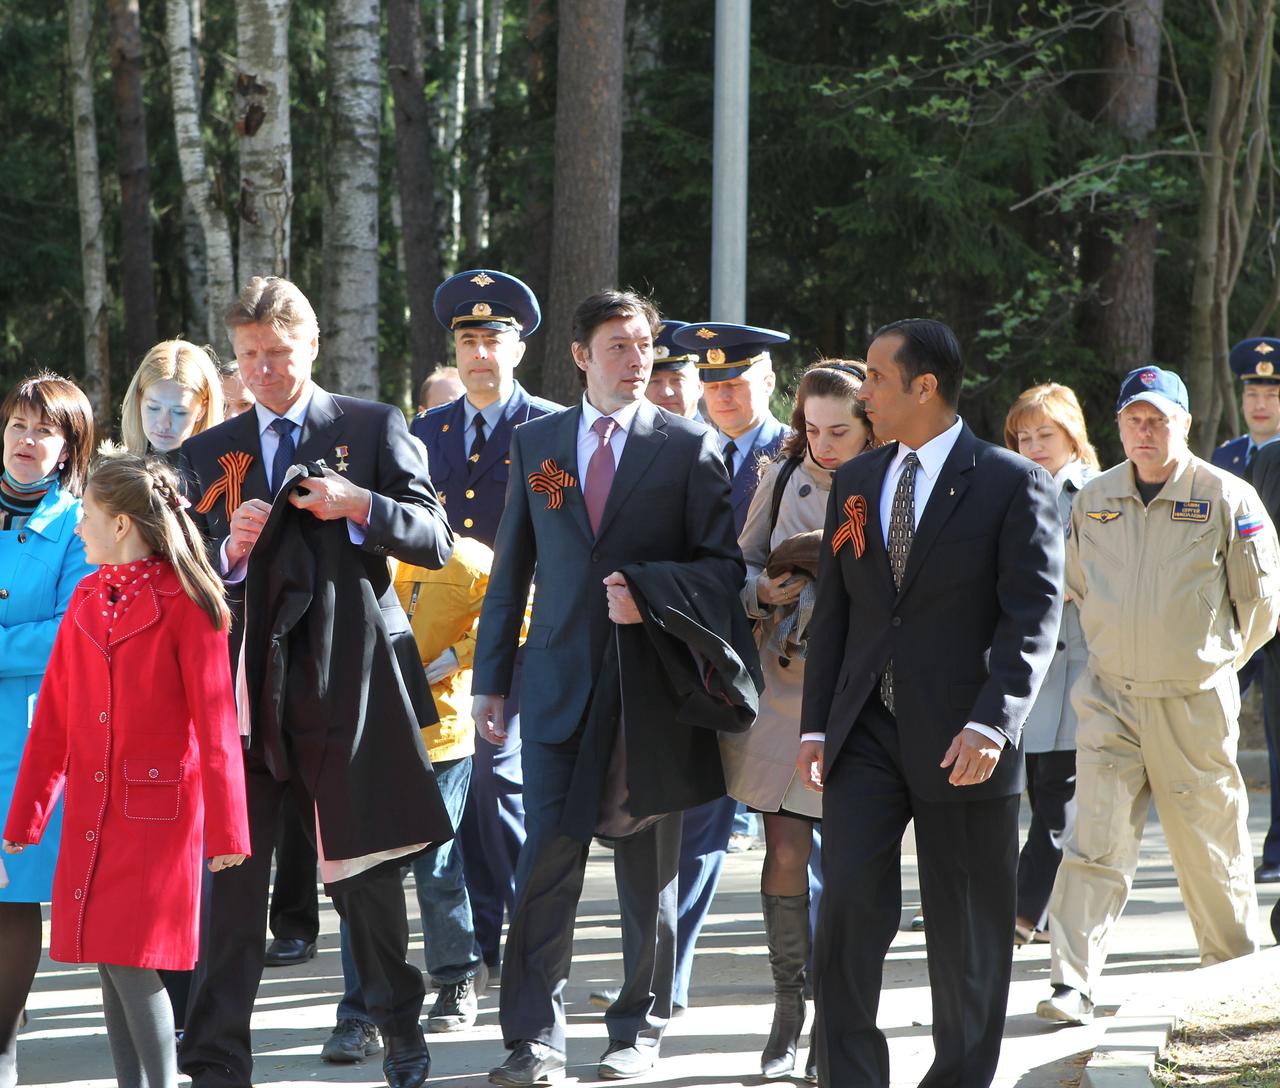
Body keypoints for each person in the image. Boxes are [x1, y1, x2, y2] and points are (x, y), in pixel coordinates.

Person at [176, 276, 455, 1088]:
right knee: (232, 888)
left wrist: (359, 502)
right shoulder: (211, 451)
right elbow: (189, 575)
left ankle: (401, 1034)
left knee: (365, 884)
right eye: (250, 356)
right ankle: (216, 1062)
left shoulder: (369, 426)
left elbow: (435, 537)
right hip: (246, 697)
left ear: (314, 344)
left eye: (279, 353)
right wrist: (229, 550)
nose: (263, 370)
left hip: (348, 683)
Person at [473, 290, 750, 1086]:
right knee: (544, 870)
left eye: (644, 346)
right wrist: (494, 679)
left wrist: (651, 593)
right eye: (619, 347)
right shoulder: (539, 444)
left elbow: (723, 573)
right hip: (556, 688)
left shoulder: (690, 446)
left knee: (647, 877)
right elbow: (511, 571)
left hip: (649, 695)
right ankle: (532, 1039)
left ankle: (639, 1027)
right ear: (580, 356)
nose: (636, 362)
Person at [797, 318, 1063, 1088]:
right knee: (846, 908)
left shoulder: (1014, 481)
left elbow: (1033, 615)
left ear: (925, 386)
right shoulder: (856, 480)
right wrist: (818, 725)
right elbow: (838, 616)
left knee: (969, 930)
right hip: (864, 735)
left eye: (877, 378)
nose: (863, 392)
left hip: (965, 737)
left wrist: (995, 719)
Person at [1037, 366, 1280, 1027]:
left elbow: (1260, 606)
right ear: (1117, 426)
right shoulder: (1095, 498)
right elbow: (1079, 584)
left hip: (1192, 702)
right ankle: (1072, 984)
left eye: (1157, 419)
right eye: (1133, 420)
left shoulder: (1227, 497)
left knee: (1209, 844)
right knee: (1094, 841)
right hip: (1111, 699)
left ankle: (1230, 977)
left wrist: (1210, 662)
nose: (1144, 431)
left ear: (1185, 423)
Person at [3, 449, 251, 1088]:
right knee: (109, 963)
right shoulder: (86, 595)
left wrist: (228, 833)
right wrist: (25, 817)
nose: (76, 526)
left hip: (158, 816)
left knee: (131, 962)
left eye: (85, 514)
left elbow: (218, 724)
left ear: (120, 524)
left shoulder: (190, 601)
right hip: (93, 808)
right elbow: (53, 718)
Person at [720, 360, 873, 1080]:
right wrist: (762, 588)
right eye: (811, 428)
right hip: (783, 690)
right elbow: (738, 564)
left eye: (840, 429)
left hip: (860, 695)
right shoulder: (779, 475)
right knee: (784, 851)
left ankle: (835, 1025)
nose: (825, 443)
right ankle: (790, 1006)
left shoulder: (896, 480)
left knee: (848, 867)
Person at [413, 269, 560, 981]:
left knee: (500, 789)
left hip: (526, 641)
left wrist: (483, 647)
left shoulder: (555, 428)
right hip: (437, 650)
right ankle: (469, 947)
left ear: (518, 349)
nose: (480, 353)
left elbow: (558, 549)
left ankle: (509, 934)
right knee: (454, 794)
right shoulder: (423, 432)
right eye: (468, 339)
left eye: (493, 339)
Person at [321, 535, 495, 1062]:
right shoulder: (347, 550)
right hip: (363, 735)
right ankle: (361, 1011)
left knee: (437, 868)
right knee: (365, 876)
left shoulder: (467, 558)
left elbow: (517, 610)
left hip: (440, 740)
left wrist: (458, 656)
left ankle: (457, 976)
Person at [661, 320, 792, 1012]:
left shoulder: (800, 453)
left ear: (768, 382)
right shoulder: (683, 450)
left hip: (783, 668)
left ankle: (801, 995)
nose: (723, 395)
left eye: (737, 382)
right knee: (691, 828)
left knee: (795, 837)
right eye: (712, 383)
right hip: (703, 669)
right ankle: (668, 982)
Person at [0, 373, 95, 1088]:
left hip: (22, 736)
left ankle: (2, 1042)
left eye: (43, 430)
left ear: (67, 449)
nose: (26, 441)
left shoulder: (76, 523)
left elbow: (72, 631)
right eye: (17, 426)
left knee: (9, 892)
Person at [1003, 383, 1100, 944]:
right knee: (1037, 791)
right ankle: (1038, 910)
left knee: (1059, 796)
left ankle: (1021, 910)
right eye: (1024, 436)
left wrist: (1070, 583)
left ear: (1072, 436)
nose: (1034, 445)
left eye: (1047, 435)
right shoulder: (1009, 487)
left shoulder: (1096, 491)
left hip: (1081, 664)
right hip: (1025, 666)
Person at [1213, 337, 1280, 884]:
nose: (1261, 403)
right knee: (1215, 733)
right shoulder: (1228, 458)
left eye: (1273, 392)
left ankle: (1277, 849)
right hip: (1232, 622)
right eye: (1252, 391)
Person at [121, 340, 224, 456]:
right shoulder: (112, 472)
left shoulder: (225, 472)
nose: (164, 424)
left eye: (179, 412)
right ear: (138, 400)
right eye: (153, 408)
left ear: (202, 411)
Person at [644, 320, 704, 420]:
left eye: (677, 380)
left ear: (700, 386)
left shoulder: (713, 436)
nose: (665, 392)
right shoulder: (620, 435)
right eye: (654, 381)